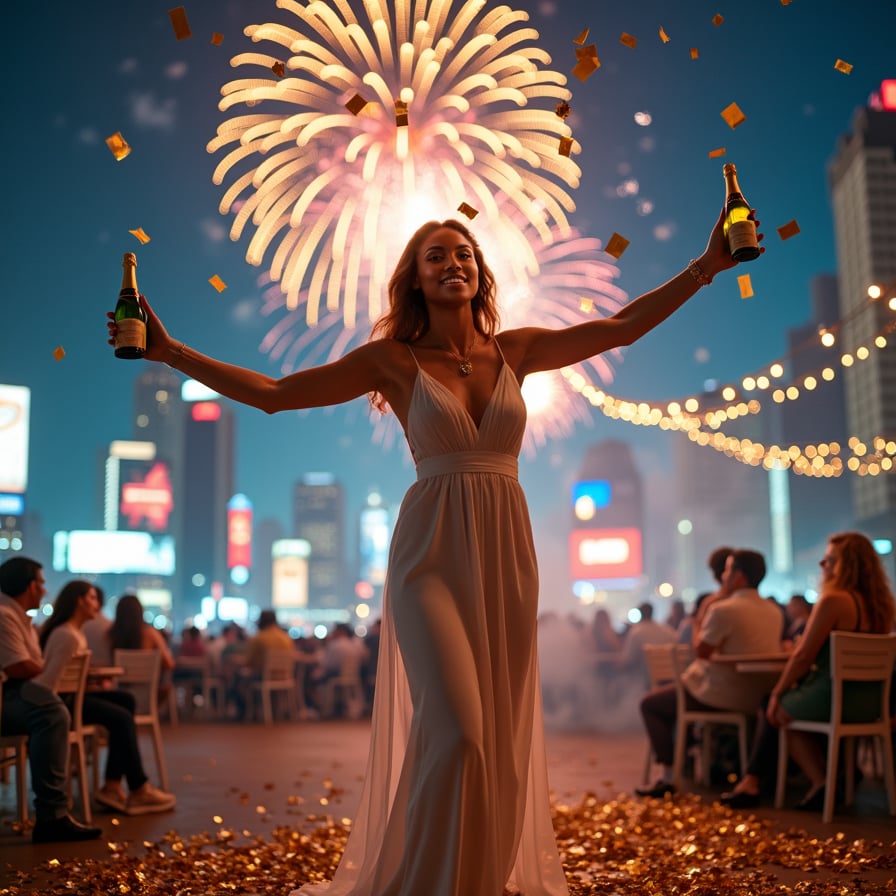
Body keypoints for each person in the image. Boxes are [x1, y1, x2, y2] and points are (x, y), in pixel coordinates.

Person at [108, 206, 761, 896]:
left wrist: (707, 267)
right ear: (414, 282)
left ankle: (473, 878)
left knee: (499, 743)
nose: (454, 264)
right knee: (459, 733)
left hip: (506, 554)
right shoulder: (393, 361)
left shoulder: (519, 350)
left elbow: (622, 327)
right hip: (429, 557)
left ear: (480, 276)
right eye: (436, 257)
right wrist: (172, 352)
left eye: (465, 255)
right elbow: (275, 395)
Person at [720, 532, 896, 810]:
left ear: (846, 565)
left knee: (775, 707)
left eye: (829, 560)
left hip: (833, 697)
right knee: (783, 705)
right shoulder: (884, 606)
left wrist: (779, 691)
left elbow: (802, 657)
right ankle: (826, 776)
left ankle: (819, 783)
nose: (821, 565)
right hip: (872, 703)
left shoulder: (834, 601)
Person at [637, 549, 785, 798]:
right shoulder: (774, 611)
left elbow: (701, 652)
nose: (723, 576)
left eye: (727, 570)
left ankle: (668, 777)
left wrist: (698, 622)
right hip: (758, 698)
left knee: (649, 704)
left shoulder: (722, 609)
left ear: (739, 577)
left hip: (720, 694)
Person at [36, 579, 177, 814]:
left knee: (126, 701)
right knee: (121, 717)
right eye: (92, 598)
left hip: (74, 698)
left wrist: (85, 676)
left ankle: (113, 785)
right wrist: (83, 679)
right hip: (62, 704)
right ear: (79, 601)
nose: (97, 603)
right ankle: (137, 787)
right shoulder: (68, 636)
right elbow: (51, 683)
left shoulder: (82, 633)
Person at [0, 556, 102, 842]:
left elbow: (33, 664)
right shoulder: (4, 615)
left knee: (54, 709)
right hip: (6, 695)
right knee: (52, 713)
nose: (45, 590)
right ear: (30, 586)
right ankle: (52, 816)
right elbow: (20, 667)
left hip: (16, 691)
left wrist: (37, 664)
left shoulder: (20, 619)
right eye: (42, 583)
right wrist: (39, 664)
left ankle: (54, 813)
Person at [106, 593, 175, 706]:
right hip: (147, 694)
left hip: (117, 693)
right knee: (167, 687)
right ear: (140, 612)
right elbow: (169, 664)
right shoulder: (150, 634)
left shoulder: (110, 635)